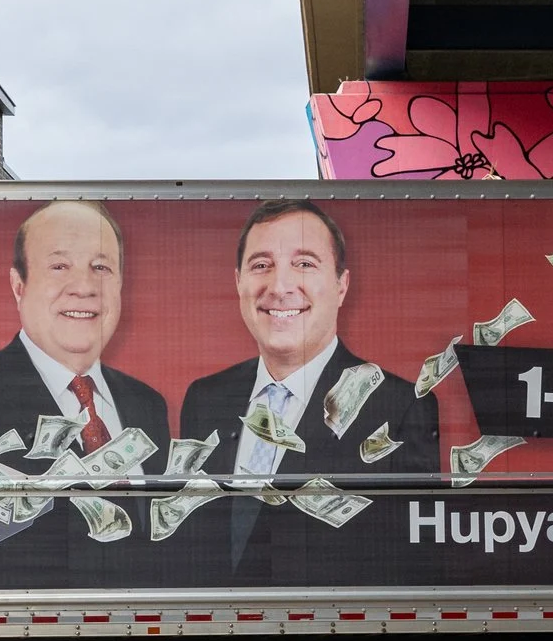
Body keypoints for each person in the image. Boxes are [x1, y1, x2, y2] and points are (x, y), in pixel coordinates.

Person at [177, 199, 437, 585]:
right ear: (238, 282)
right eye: (261, 265)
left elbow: (410, 559)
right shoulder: (204, 398)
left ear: (341, 285)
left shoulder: (397, 407)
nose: (279, 287)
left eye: (304, 264)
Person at [0, 199, 170, 586]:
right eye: (59, 266)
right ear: (19, 286)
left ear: (120, 284)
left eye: (101, 267)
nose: (84, 287)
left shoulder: (147, 404)